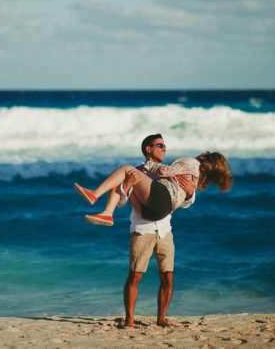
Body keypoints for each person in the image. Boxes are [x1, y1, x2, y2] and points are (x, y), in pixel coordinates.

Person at [75, 134, 195, 328]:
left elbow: (185, 202)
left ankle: (161, 319)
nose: (164, 149)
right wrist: (127, 186)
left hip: (165, 230)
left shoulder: (169, 172)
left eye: (165, 146)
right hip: (142, 229)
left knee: (168, 276)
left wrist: (190, 192)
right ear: (148, 149)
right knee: (135, 276)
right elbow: (122, 201)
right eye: (160, 145)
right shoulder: (137, 172)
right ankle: (129, 320)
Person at [75, 151, 232, 225]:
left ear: (204, 157)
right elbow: (185, 201)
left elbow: (164, 171)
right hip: (158, 213)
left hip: (160, 198)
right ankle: (107, 214)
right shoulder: (197, 180)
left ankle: (95, 195)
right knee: (127, 179)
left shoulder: (192, 162)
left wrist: (145, 165)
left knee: (126, 169)